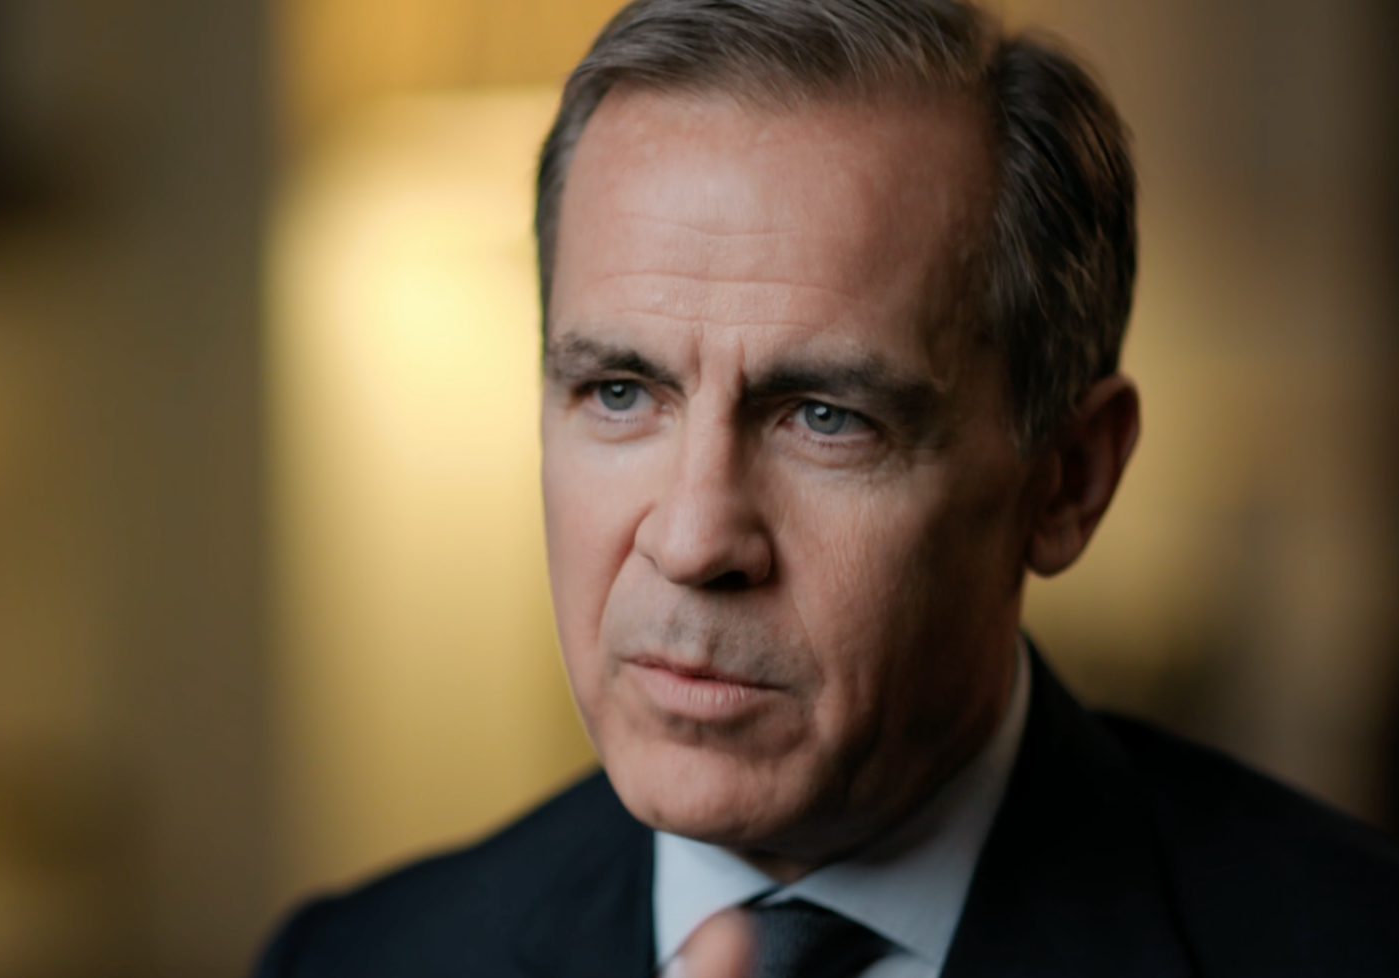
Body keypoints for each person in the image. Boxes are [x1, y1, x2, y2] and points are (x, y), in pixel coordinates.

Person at [253, 1, 1399, 975]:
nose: (697, 539)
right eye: (618, 392)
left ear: (1068, 481)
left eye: (826, 418)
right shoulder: (363, 957)